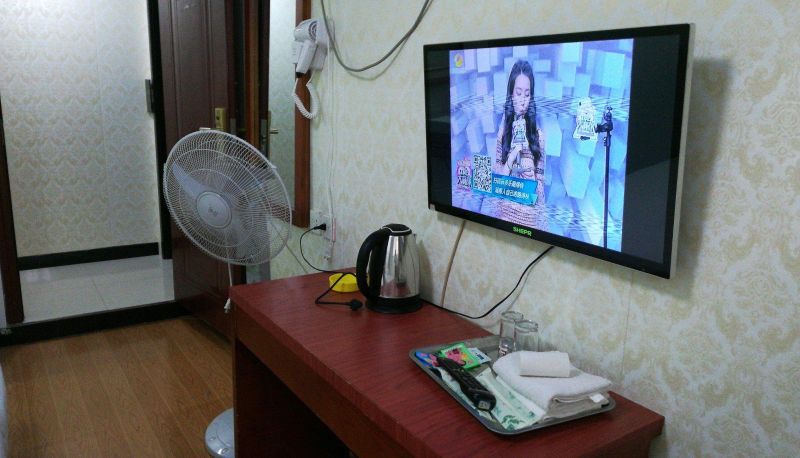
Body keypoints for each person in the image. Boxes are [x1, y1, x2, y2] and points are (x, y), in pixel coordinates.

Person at [493, 60, 546, 228]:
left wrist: (532, 182)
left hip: (528, 222)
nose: (522, 100)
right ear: (511, 94)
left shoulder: (538, 137)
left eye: (527, 94)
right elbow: (497, 184)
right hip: (504, 219)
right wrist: (512, 156)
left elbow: (540, 188)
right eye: (518, 93)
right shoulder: (503, 134)